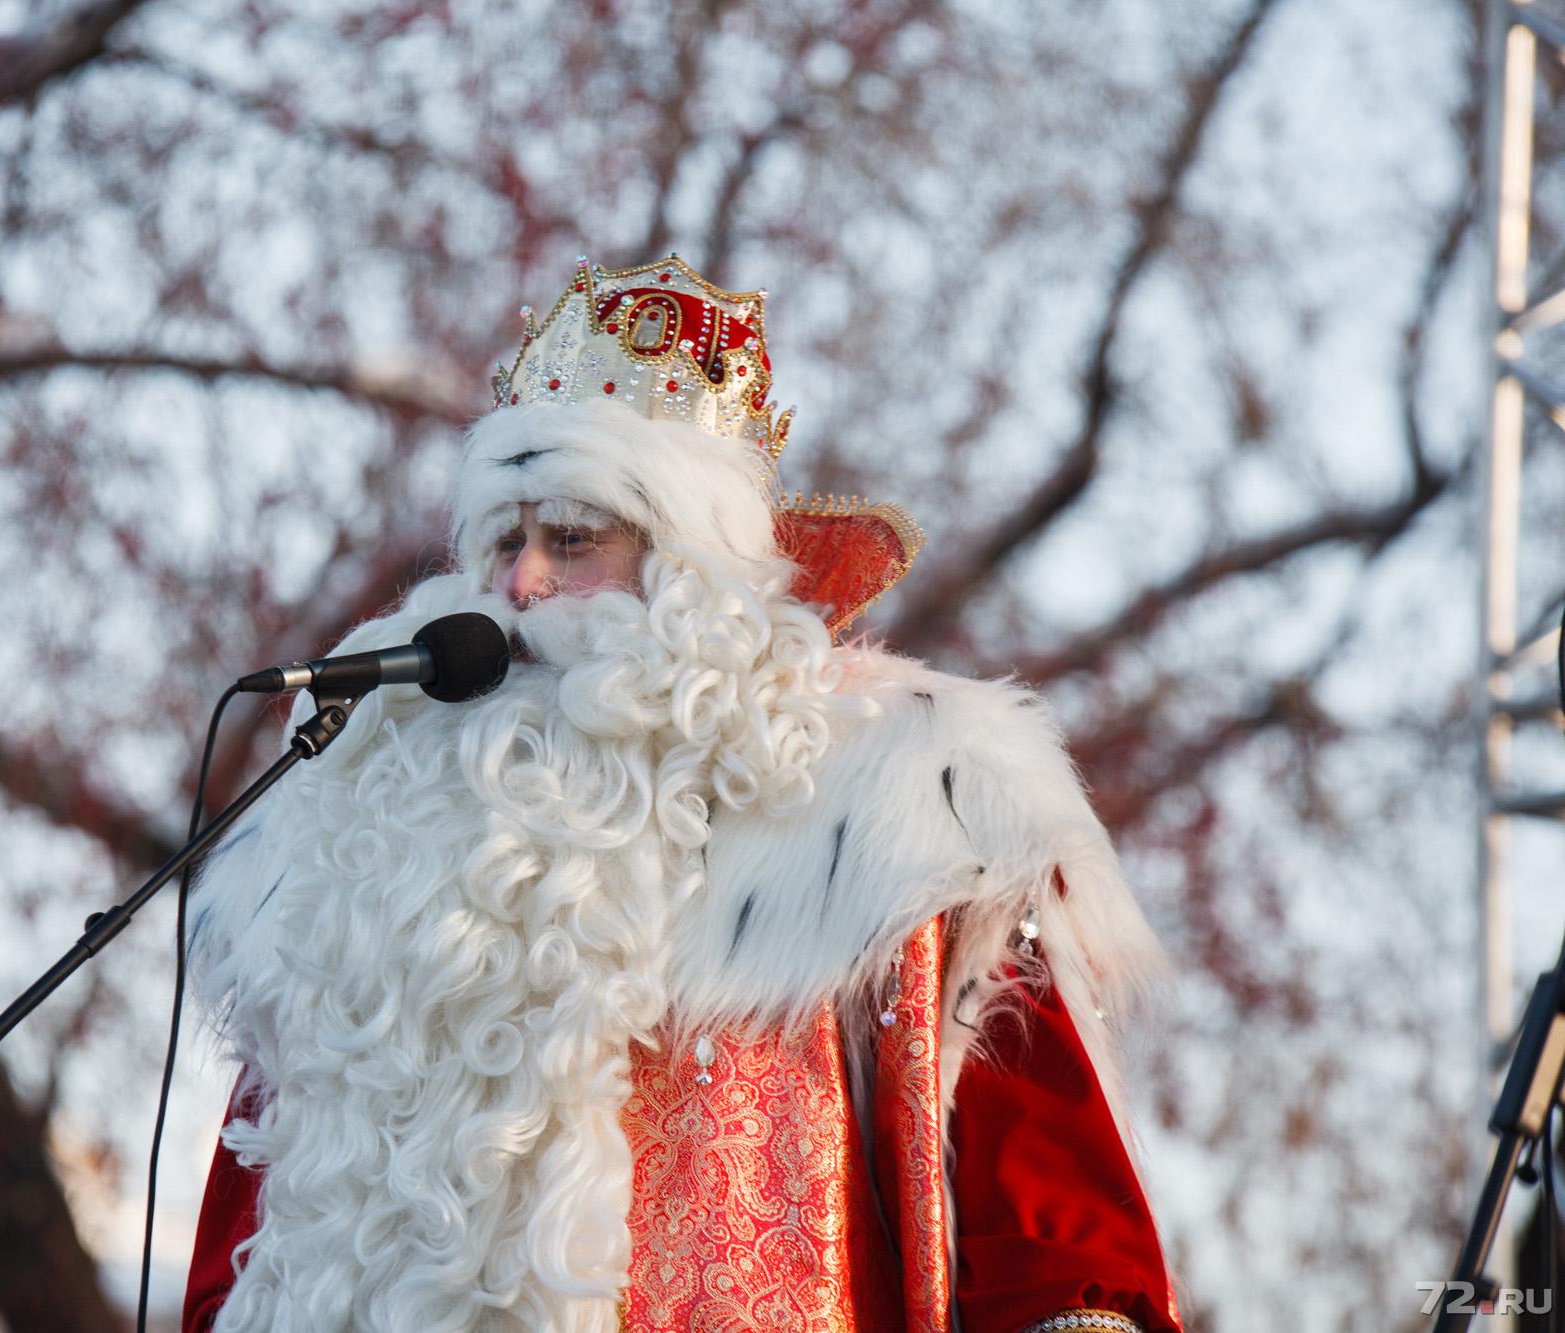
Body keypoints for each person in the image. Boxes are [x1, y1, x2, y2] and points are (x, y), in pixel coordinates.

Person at [181, 256, 1182, 1333]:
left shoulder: (894, 802)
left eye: (571, 540)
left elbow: (1049, 1223)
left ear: (686, 569)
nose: (520, 586)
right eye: (501, 543)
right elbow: (258, 1231)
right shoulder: (371, 833)